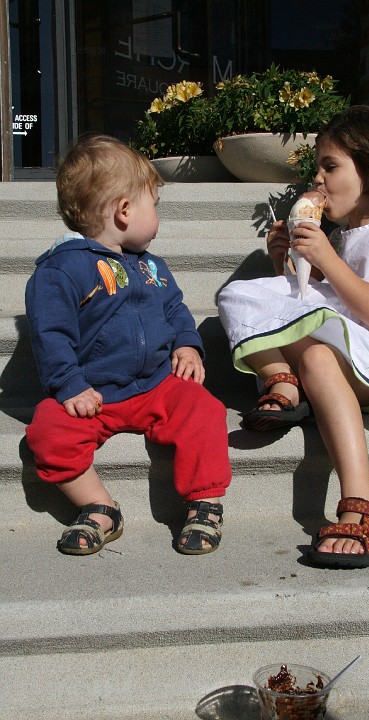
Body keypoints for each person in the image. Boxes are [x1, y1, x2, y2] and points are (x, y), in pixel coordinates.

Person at [218, 105, 369, 569]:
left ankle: (361, 501)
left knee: (316, 359)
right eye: (317, 168)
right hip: (352, 353)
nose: (317, 179)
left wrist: (326, 260)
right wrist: (284, 265)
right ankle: (281, 380)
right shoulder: (339, 237)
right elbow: (313, 302)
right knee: (241, 294)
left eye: (330, 166)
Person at [25, 134, 231, 556]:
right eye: (154, 205)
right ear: (124, 210)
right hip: (94, 394)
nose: (157, 217)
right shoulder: (61, 270)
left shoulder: (152, 266)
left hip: (157, 384)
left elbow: (174, 310)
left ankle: (205, 503)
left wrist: (187, 345)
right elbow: (50, 334)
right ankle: (98, 506)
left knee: (204, 409)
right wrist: (69, 385)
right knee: (47, 430)